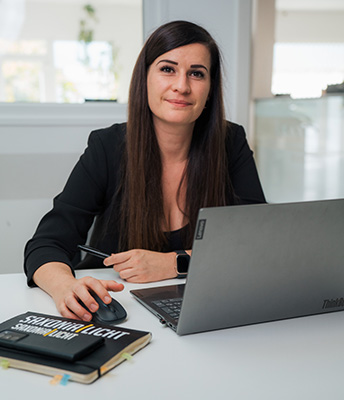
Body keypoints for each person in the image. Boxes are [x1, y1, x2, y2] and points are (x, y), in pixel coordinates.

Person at [24, 20, 266, 322]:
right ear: (145, 79)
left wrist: (175, 263)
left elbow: (258, 242)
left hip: (204, 310)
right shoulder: (108, 146)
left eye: (197, 73)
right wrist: (65, 288)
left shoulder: (231, 143)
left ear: (210, 89)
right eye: (167, 69)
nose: (182, 85)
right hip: (121, 312)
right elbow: (46, 245)